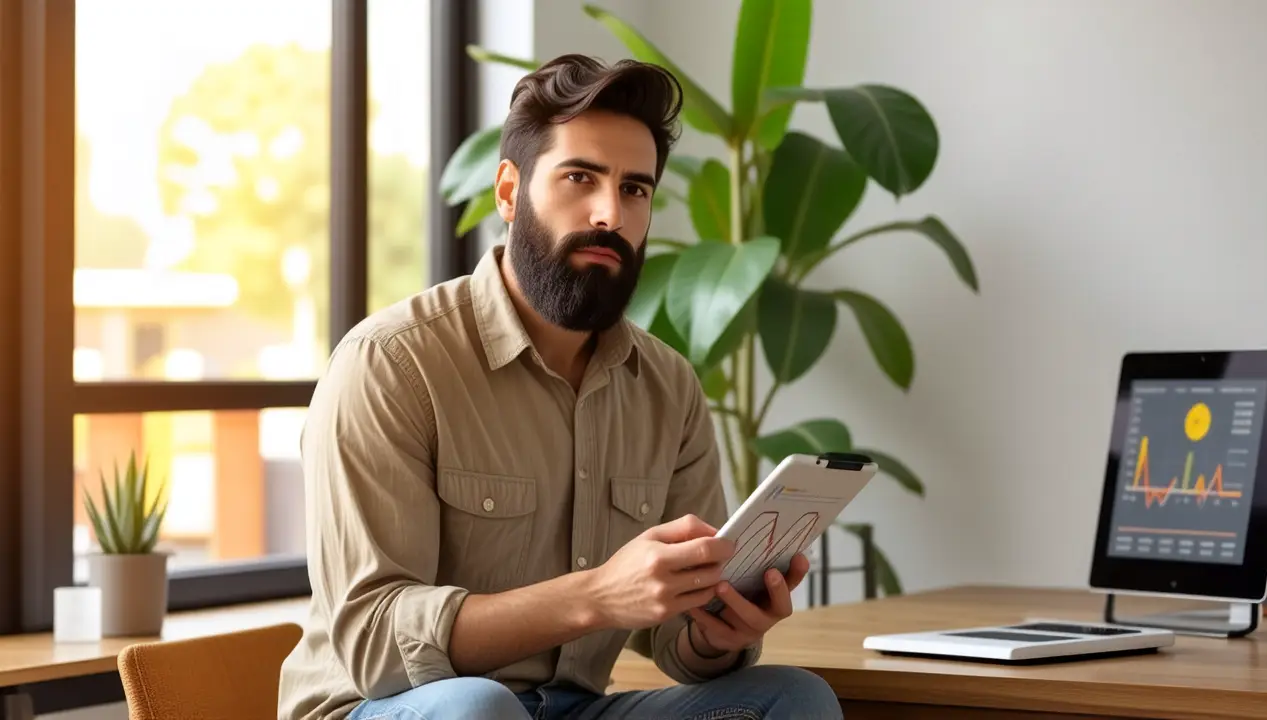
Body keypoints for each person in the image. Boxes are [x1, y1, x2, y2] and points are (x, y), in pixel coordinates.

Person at [276, 53, 843, 720]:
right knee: (477, 710)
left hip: (569, 708)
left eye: (636, 189)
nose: (610, 212)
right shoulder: (390, 364)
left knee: (790, 700)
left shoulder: (668, 387)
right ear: (510, 192)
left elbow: (675, 644)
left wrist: (717, 633)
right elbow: (374, 644)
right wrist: (598, 596)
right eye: (580, 177)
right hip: (388, 708)